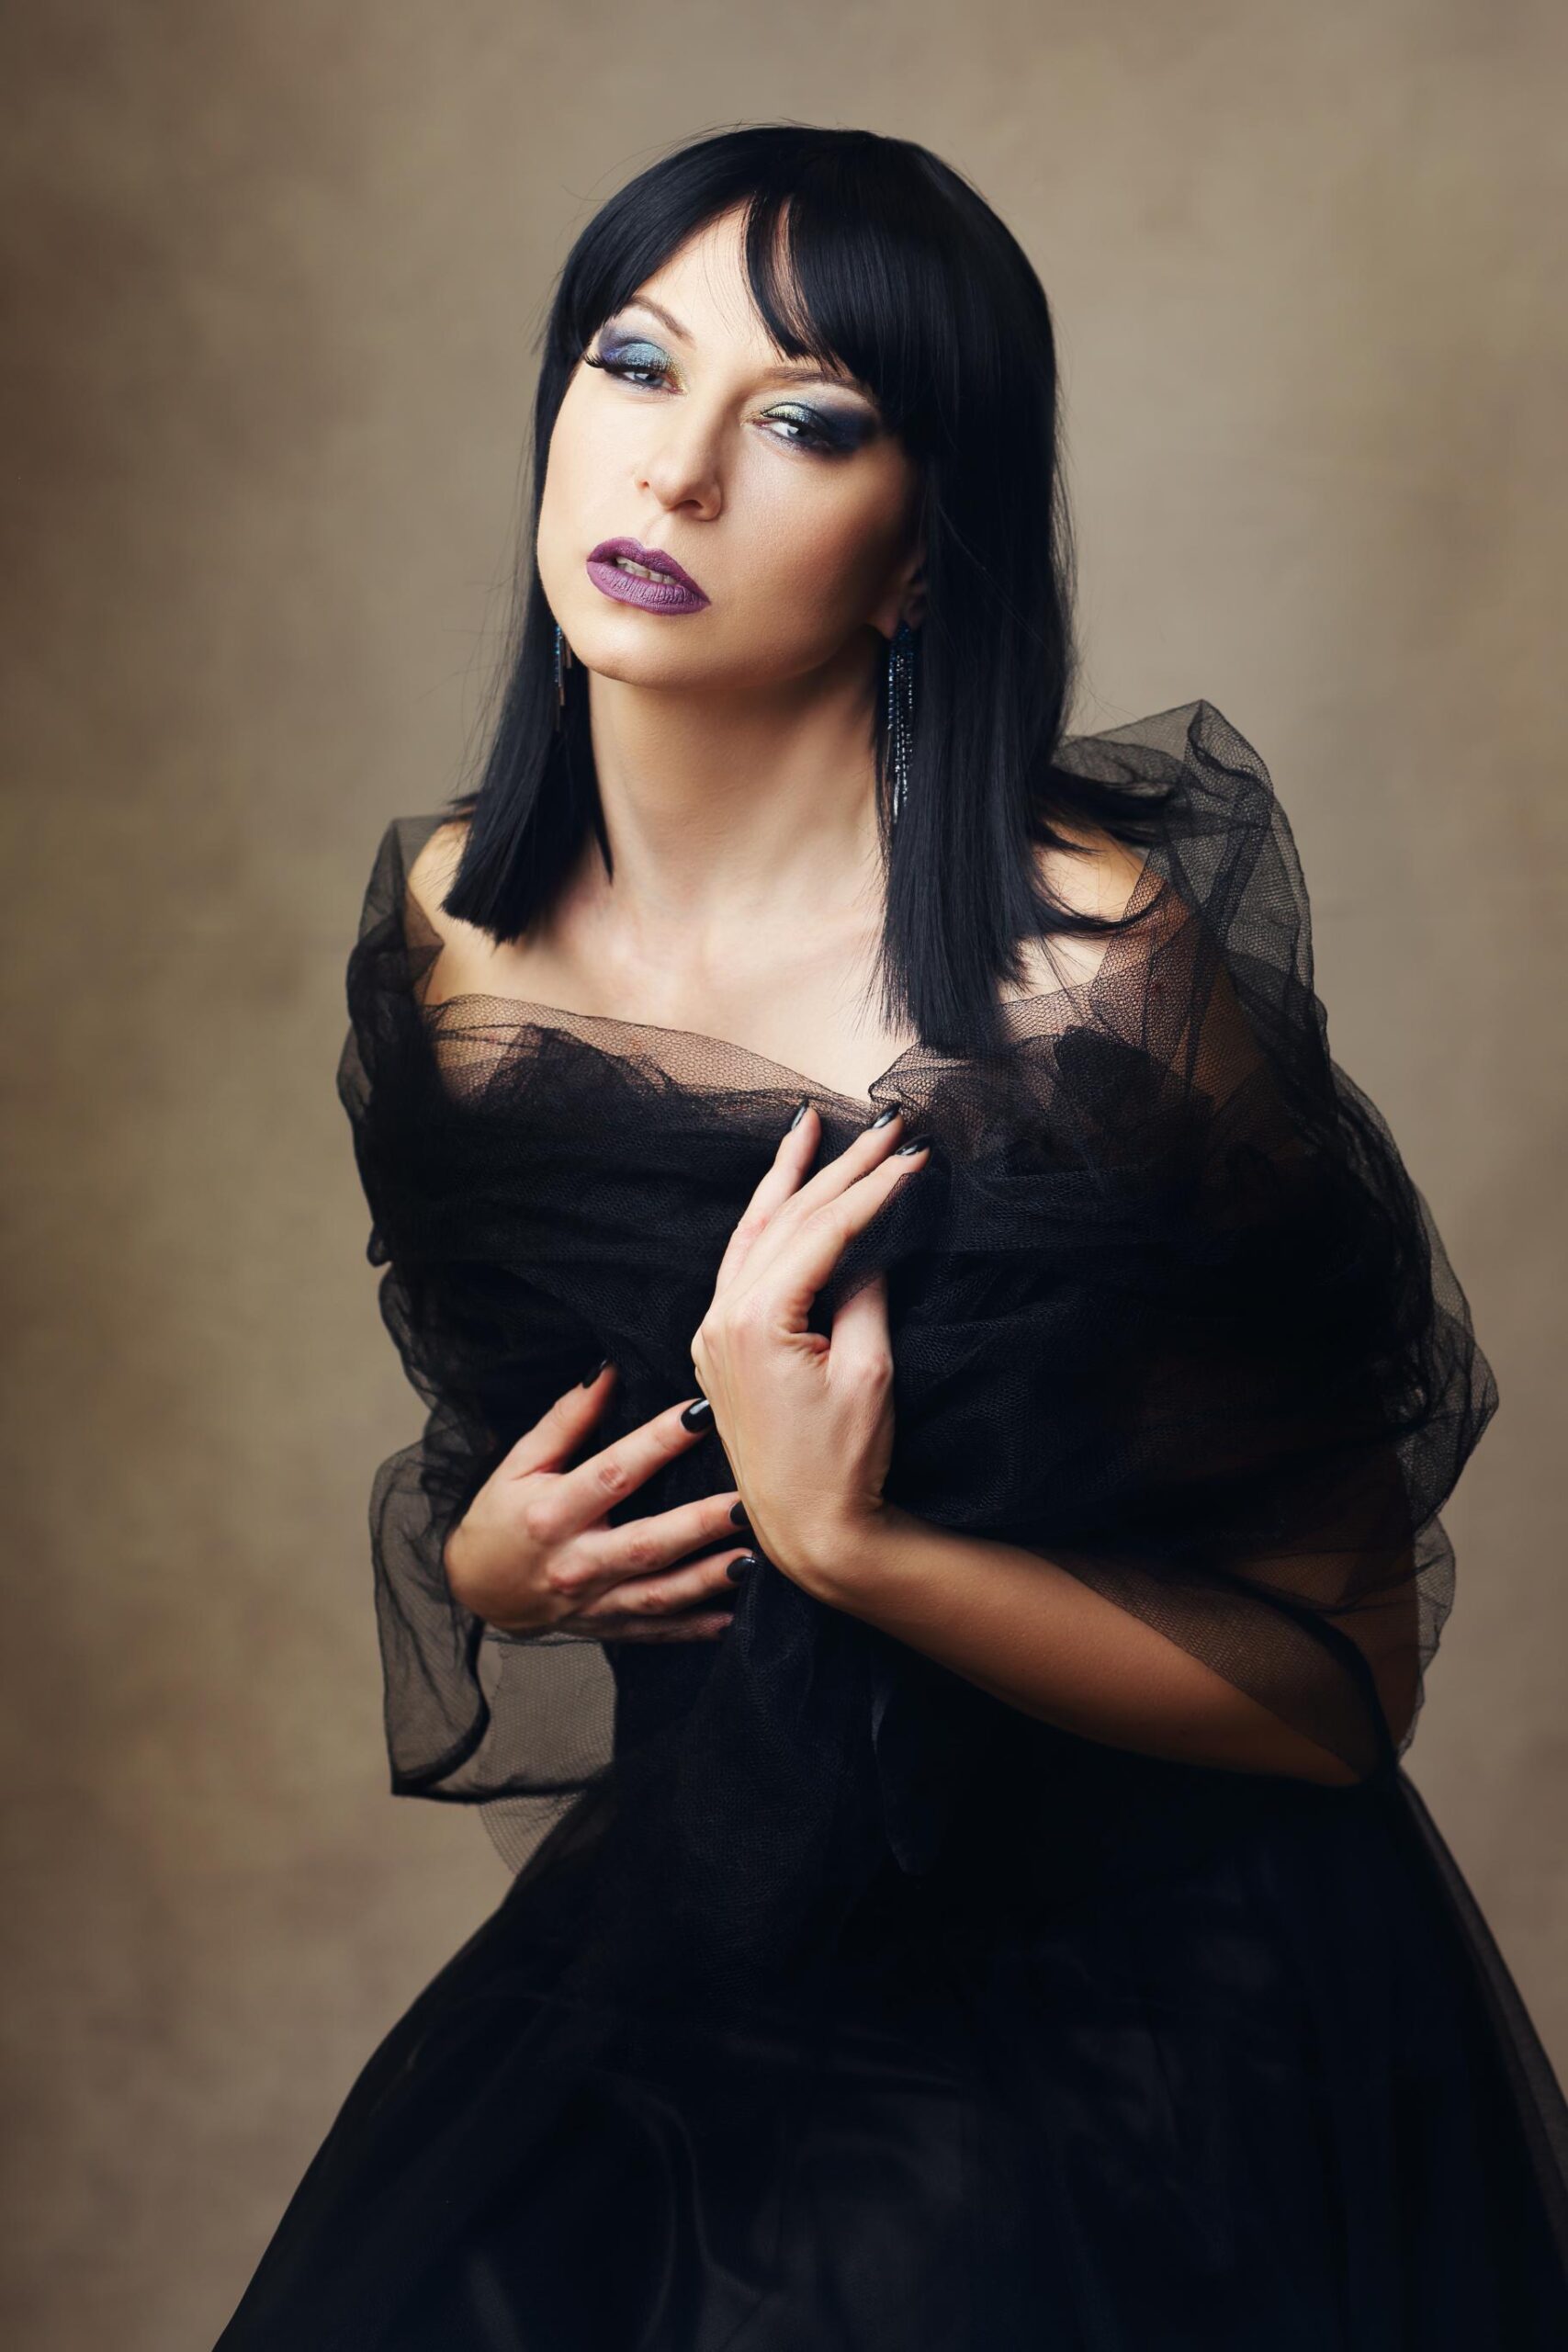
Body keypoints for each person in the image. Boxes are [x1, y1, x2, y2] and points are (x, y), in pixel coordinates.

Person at [214, 125, 1568, 2349]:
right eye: (633, 367)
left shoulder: (1090, 980)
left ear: (922, 551)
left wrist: (854, 1544)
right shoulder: (451, 927)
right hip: (708, 1946)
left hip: (1138, 2007)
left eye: (807, 418)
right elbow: (513, 1444)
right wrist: (498, 1562)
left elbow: (1339, 1687)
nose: (671, 473)